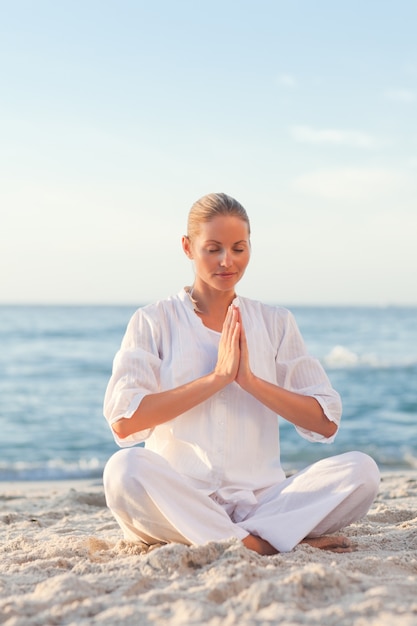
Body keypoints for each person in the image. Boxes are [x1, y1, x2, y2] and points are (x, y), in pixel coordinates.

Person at [103, 192, 380, 555]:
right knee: (124, 470)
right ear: (188, 247)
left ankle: (236, 537)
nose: (226, 261)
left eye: (238, 248)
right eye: (213, 248)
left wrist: (250, 382)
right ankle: (262, 542)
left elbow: (325, 421)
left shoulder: (275, 322)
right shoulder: (154, 320)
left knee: (362, 471)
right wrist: (215, 379)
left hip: (262, 501)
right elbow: (125, 422)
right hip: (181, 500)